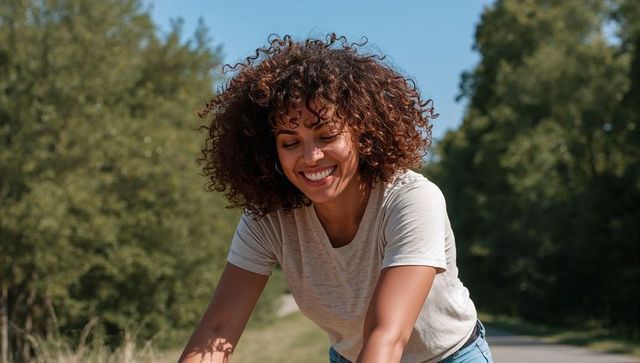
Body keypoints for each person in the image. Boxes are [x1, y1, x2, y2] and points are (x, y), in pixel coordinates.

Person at [178, 33, 493, 363]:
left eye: (327, 135)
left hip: (448, 356)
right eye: (290, 143)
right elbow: (217, 330)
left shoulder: (412, 201)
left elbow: (386, 336)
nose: (311, 156)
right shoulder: (267, 218)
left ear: (363, 134)